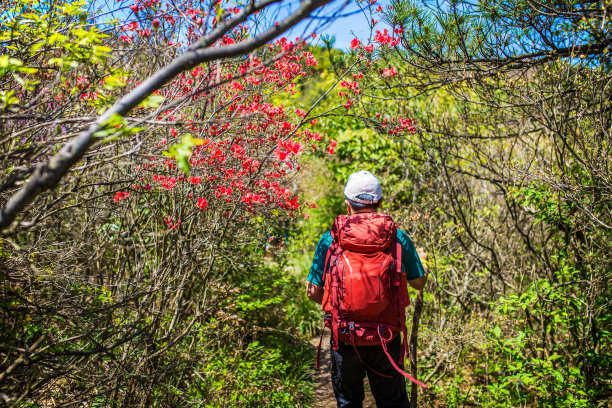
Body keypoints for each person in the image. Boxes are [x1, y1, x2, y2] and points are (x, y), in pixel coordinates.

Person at [306, 170, 428, 408]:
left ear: (347, 204)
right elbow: (418, 282)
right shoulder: (398, 238)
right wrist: (424, 264)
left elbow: (313, 291)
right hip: (387, 338)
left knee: (349, 403)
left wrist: (340, 305)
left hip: (345, 338)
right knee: (391, 403)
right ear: (380, 203)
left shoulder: (330, 239)